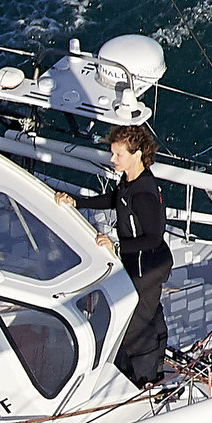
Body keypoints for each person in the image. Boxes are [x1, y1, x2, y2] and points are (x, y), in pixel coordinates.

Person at [64, 124, 172, 387]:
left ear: (137, 154)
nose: (112, 159)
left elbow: (153, 238)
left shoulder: (144, 193)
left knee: (135, 325)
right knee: (150, 312)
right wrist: (78, 202)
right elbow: (117, 199)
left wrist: (117, 246)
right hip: (141, 263)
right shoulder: (130, 181)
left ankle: (146, 379)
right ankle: (157, 363)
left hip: (146, 267)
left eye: (118, 154)